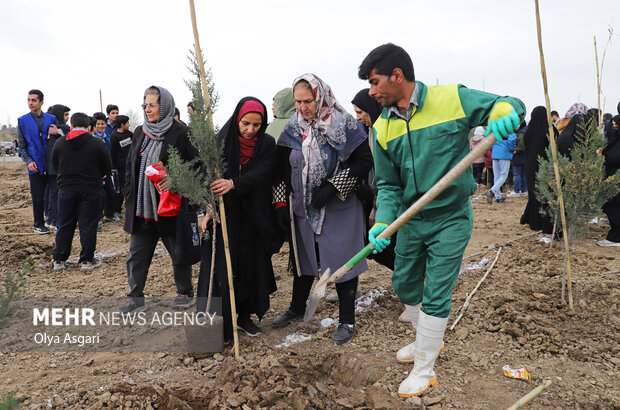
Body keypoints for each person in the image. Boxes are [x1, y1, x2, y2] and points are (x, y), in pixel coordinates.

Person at [358, 43, 525, 397]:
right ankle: (427, 339)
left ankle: (425, 368)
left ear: (397, 76)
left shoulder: (451, 98)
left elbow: (505, 102)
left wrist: (506, 113)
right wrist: (382, 223)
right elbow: (388, 183)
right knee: (404, 284)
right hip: (411, 219)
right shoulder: (383, 128)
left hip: (450, 216)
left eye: (375, 83)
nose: (372, 92)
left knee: (435, 292)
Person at [272, 73, 373, 345]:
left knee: (342, 259)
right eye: (298, 102)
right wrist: (281, 202)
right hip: (302, 207)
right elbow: (280, 170)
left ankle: (347, 319)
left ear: (321, 96)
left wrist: (332, 186)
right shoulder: (293, 127)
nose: (303, 107)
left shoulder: (344, 124)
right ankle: (296, 307)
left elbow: (363, 162)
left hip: (339, 205)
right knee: (304, 257)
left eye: (308, 101)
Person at [197, 97, 280, 339]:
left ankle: (244, 316)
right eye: (245, 123)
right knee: (222, 270)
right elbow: (205, 177)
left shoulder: (266, 144)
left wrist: (234, 183)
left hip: (253, 217)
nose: (250, 130)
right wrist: (209, 207)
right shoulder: (220, 143)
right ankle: (218, 325)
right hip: (224, 216)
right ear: (237, 120)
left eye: (256, 125)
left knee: (249, 267)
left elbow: (264, 173)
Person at [119, 85, 198, 314]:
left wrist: (177, 181)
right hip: (142, 208)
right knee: (136, 255)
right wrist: (128, 193)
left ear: (164, 106)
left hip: (169, 207)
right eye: (145, 105)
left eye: (152, 105)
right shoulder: (140, 132)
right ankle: (135, 297)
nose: (148, 109)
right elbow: (129, 167)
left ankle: (184, 292)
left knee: (178, 252)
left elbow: (196, 165)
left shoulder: (180, 133)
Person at [51, 112, 111, 272]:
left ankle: (59, 260)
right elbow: (107, 167)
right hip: (91, 190)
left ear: (70, 126)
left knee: (64, 225)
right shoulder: (97, 143)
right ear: (89, 127)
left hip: (66, 189)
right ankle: (86, 260)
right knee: (88, 225)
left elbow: (55, 165)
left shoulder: (60, 143)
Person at [17, 89, 58, 234]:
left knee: (57, 194)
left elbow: (58, 140)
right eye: (28, 100)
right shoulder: (22, 121)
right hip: (34, 165)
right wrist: (28, 161)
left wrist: (57, 132)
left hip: (51, 165)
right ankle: (38, 224)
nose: (30, 103)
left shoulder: (51, 118)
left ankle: (59, 222)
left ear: (41, 102)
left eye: (33, 100)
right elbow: (21, 147)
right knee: (38, 197)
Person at [520, 106, 556, 234]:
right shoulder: (550, 130)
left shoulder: (528, 130)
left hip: (530, 165)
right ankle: (543, 221)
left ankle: (533, 220)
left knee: (533, 192)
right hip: (545, 166)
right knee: (545, 193)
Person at [44, 104, 71, 229]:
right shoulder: (64, 128)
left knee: (51, 194)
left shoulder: (53, 128)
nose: (67, 117)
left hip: (50, 167)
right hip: (57, 167)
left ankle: (50, 219)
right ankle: (55, 221)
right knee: (56, 195)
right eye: (65, 114)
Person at [596, 115, 620, 246]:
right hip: (612, 180)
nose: (613, 128)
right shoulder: (615, 141)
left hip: (616, 181)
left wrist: (604, 155)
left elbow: (615, 157)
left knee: (615, 207)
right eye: (613, 125)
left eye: (616, 125)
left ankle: (616, 238)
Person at [93, 112, 117, 222]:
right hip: (96, 171)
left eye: (102, 124)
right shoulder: (92, 138)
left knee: (111, 191)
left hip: (107, 170)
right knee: (99, 194)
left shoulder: (108, 138)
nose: (100, 126)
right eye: (98, 124)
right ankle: (97, 217)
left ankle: (109, 214)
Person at [110, 115, 132, 219]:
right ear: (122, 125)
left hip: (130, 166)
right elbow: (112, 153)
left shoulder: (130, 134)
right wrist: (113, 168)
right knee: (120, 189)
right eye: (127, 123)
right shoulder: (114, 136)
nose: (129, 124)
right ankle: (117, 210)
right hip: (120, 168)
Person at [486, 131, 517, 204]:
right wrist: (512, 149)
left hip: (495, 153)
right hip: (505, 154)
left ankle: (498, 198)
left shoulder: (497, 129)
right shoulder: (510, 130)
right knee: (503, 175)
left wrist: (494, 149)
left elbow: (490, 141)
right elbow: (512, 140)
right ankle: (492, 191)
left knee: (496, 176)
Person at [507, 121, 527, 197]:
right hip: (525, 157)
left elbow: (521, 146)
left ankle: (516, 191)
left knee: (517, 174)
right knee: (523, 174)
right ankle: (524, 190)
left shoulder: (521, 133)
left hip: (519, 156)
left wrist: (515, 151)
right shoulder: (527, 130)